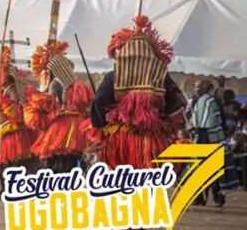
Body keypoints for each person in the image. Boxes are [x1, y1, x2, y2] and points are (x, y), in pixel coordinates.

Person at [91, 16, 187, 171]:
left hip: (120, 139)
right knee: (149, 180)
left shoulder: (114, 75)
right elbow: (178, 100)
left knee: (123, 180)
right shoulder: (160, 73)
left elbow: (100, 101)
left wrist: (101, 124)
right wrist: (165, 119)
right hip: (152, 139)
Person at [25, 41, 94, 173]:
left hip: (61, 127)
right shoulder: (78, 84)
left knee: (57, 160)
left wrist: (37, 110)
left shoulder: (55, 84)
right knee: (72, 159)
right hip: (78, 126)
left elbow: (49, 105)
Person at [0, 46, 38, 190]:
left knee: (12, 162)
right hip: (8, 132)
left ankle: (11, 187)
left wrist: (0, 102)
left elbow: (15, 111)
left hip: (13, 133)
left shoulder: (13, 90)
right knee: (8, 162)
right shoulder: (3, 91)